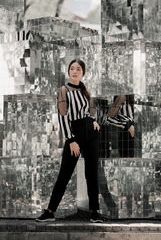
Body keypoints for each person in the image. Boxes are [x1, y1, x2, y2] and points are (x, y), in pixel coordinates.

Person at [36, 59, 104, 223]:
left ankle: (95, 211)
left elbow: (87, 112)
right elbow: (63, 116)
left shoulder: (84, 90)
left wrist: (93, 120)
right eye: (72, 68)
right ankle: (50, 211)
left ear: (83, 72)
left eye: (78, 69)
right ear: (68, 71)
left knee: (92, 174)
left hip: (90, 132)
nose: (75, 71)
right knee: (64, 174)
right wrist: (71, 140)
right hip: (74, 133)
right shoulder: (63, 90)